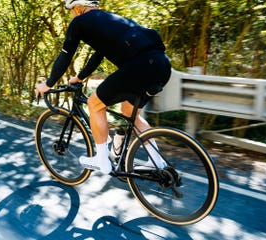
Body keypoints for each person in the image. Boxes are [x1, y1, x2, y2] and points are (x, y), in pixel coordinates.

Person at [35, 0, 171, 174]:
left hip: (140, 66)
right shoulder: (109, 21)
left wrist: (48, 84)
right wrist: (79, 77)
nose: (72, 15)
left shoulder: (79, 22)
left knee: (95, 104)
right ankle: (157, 161)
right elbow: (98, 55)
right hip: (161, 65)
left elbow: (66, 55)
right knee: (131, 114)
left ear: (78, 8)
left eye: (71, 11)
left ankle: (102, 160)